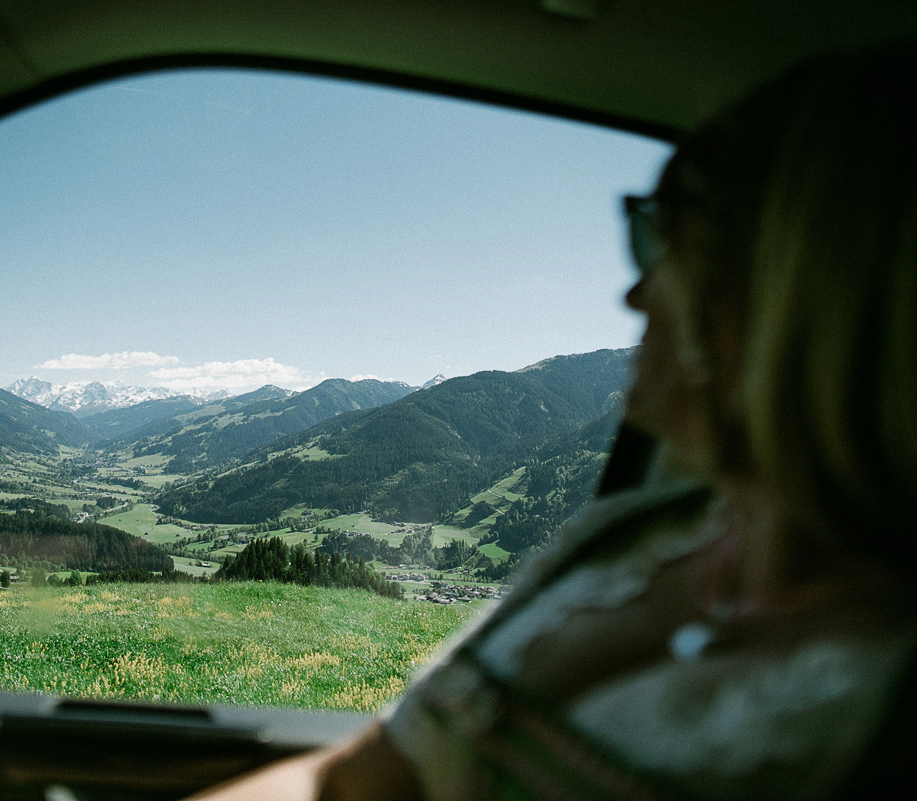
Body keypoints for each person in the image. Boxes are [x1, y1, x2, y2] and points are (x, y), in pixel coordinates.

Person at [190, 41, 917, 801]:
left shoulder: (887, 709)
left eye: (661, 240)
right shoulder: (622, 540)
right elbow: (350, 784)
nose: (635, 296)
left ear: (786, 292)